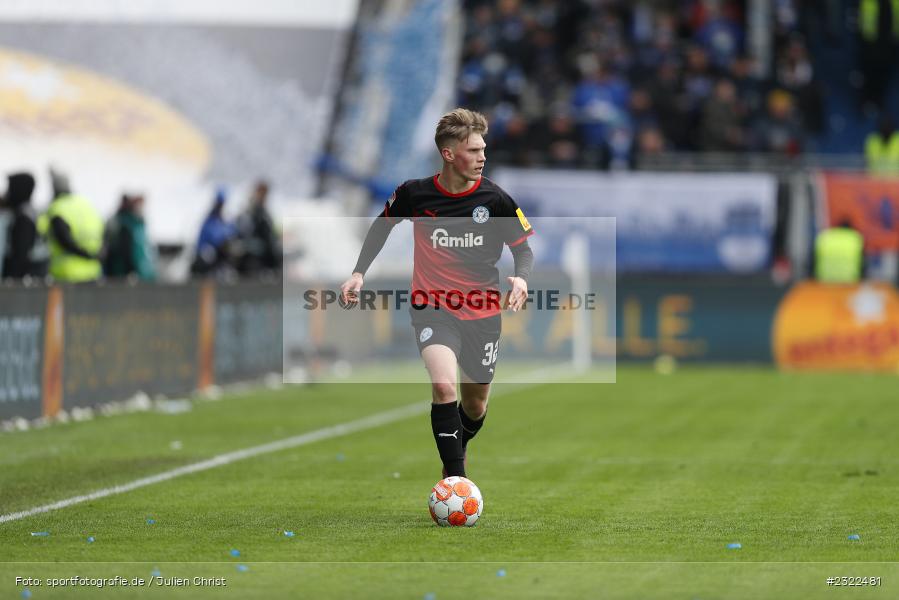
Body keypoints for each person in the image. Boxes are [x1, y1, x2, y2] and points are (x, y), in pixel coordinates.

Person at [340, 108, 534, 479]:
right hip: (433, 308)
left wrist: (522, 278)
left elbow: (523, 249)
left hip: (482, 312)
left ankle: (454, 453)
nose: (483, 157)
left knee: (475, 407)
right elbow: (383, 227)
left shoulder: (496, 200)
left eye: (483, 150)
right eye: (474, 151)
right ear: (449, 154)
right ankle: (455, 480)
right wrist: (359, 272)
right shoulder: (415, 193)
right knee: (444, 386)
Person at [38, 169, 103, 283]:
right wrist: (92, 256)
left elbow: (63, 240)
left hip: (66, 274)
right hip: (92, 272)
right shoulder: (87, 205)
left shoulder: (57, 208)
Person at [104, 193, 157, 280]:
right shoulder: (125, 224)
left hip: (138, 272)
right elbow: (125, 250)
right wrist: (131, 270)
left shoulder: (137, 224)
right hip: (124, 273)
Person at [236, 180, 282, 275]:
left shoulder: (263, 210)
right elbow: (246, 229)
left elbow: (270, 229)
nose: (264, 196)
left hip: (264, 246)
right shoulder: (252, 209)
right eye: (262, 193)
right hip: (254, 247)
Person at [2, 172, 41, 279]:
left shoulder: (24, 219)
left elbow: (21, 257)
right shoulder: (26, 212)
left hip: (20, 282)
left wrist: (11, 282)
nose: (7, 193)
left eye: (10, 189)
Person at [191, 189, 236, 276]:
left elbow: (232, 231)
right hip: (207, 254)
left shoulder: (225, 219)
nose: (220, 206)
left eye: (222, 203)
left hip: (221, 256)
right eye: (219, 203)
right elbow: (212, 237)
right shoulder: (210, 219)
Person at [813, 220, 865, 284]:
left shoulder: (824, 237)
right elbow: (862, 262)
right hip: (849, 280)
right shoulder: (854, 237)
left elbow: (814, 260)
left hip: (825, 280)